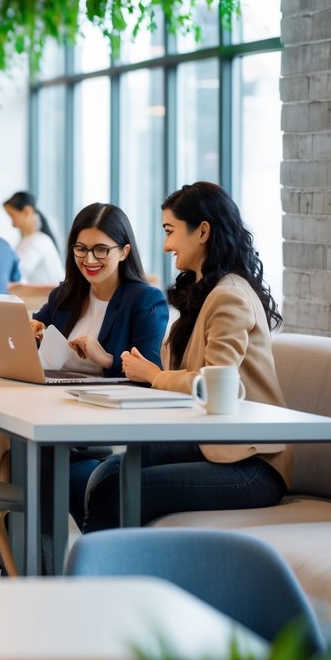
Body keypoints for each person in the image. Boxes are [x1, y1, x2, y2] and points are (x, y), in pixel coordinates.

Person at [83, 182, 290, 532]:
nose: (165, 245)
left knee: (114, 488)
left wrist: (152, 374)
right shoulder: (205, 292)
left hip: (251, 464)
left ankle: (100, 577)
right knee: (106, 475)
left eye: (170, 231)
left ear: (203, 231)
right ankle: (101, 573)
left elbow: (213, 382)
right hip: (210, 446)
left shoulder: (230, 297)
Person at [0, 202, 168, 535]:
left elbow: (151, 373)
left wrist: (106, 358)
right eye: (81, 249)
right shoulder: (67, 293)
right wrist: (33, 330)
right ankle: (17, 550)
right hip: (57, 407)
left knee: (33, 464)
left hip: (102, 423)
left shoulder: (145, 299)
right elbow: (40, 322)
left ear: (124, 251)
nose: (90, 260)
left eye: (101, 250)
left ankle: (20, 554)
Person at [3, 191, 62, 285]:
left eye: (12, 216)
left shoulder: (38, 241)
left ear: (27, 211)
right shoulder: (29, 240)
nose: (12, 224)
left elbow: (14, 274)